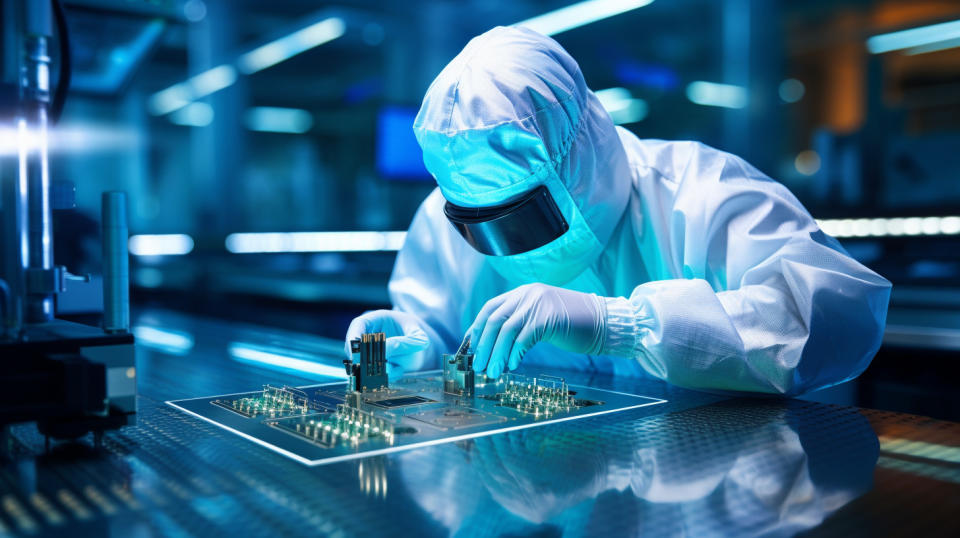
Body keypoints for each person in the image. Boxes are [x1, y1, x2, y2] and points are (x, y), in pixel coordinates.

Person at [345, 26, 891, 395]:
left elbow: (833, 321)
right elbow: (444, 331)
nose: (504, 244)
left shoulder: (703, 194)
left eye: (522, 217)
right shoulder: (446, 212)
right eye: (477, 228)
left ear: (578, 159)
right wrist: (413, 346)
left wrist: (624, 326)